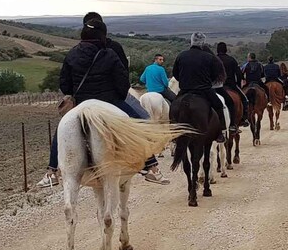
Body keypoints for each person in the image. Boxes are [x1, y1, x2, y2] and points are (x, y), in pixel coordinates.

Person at [37, 19, 169, 188]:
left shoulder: (71, 54)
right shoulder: (109, 54)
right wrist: (118, 96)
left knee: (61, 128)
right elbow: (123, 83)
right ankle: (150, 166)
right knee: (139, 121)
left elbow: (65, 84)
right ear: (102, 35)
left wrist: (77, 96)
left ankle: (52, 172)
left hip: (81, 102)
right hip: (109, 100)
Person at [172, 32, 228, 143]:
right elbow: (215, 75)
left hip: (185, 90)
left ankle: (174, 133)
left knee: (173, 106)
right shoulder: (209, 57)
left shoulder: (181, 55)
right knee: (219, 105)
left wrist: (185, 82)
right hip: (204, 90)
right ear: (203, 42)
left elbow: (175, 73)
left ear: (191, 41)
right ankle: (220, 132)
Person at [216, 42, 250, 127]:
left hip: (216, 86)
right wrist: (238, 85)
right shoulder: (231, 59)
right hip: (231, 85)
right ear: (226, 50)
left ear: (217, 50)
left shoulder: (214, 59)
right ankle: (244, 118)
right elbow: (238, 74)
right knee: (245, 99)